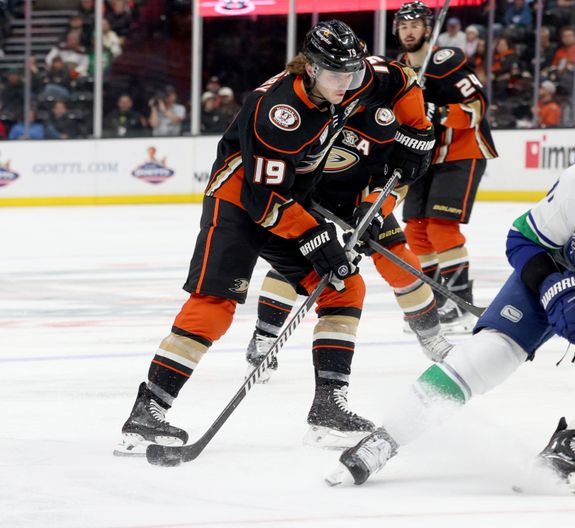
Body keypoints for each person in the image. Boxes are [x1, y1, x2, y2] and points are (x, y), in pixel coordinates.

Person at [329, 99, 575, 494]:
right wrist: (552, 284)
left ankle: (571, 445)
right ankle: (386, 437)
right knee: (488, 353)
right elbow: (523, 238)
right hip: (559, 272)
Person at [114, 20, 434, 456]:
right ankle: (148, 410)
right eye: (337, 76)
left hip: (291, 200)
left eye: (352, 74)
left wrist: (417, 133)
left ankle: (327, 409)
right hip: (239, 201)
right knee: (215, 304)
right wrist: (314, 237)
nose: (347, 84)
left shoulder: (356, 76)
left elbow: (403, 80)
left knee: (345, 288)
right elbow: (263, 200)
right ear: (311, 68)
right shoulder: (277, 111)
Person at [244, 106, 454, 416]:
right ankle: (263, 339)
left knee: (399, 261)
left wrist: (375, 210)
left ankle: (431, 335)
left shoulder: (387, 113)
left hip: (362, 200)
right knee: (295, 266)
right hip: (309, 198)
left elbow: (401, 179)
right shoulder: (309, 102)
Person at [394, 1, 498, 333]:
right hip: (426, 156)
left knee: (440, 227)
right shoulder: (399, 69)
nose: (409, 31)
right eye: (404, 25)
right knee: (415, 230)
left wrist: (433, 110)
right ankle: (438, 298)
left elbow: (477, 107)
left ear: (428, 29)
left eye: (415, 25)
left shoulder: (445, 61)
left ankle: (460, 299)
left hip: (462, 151)